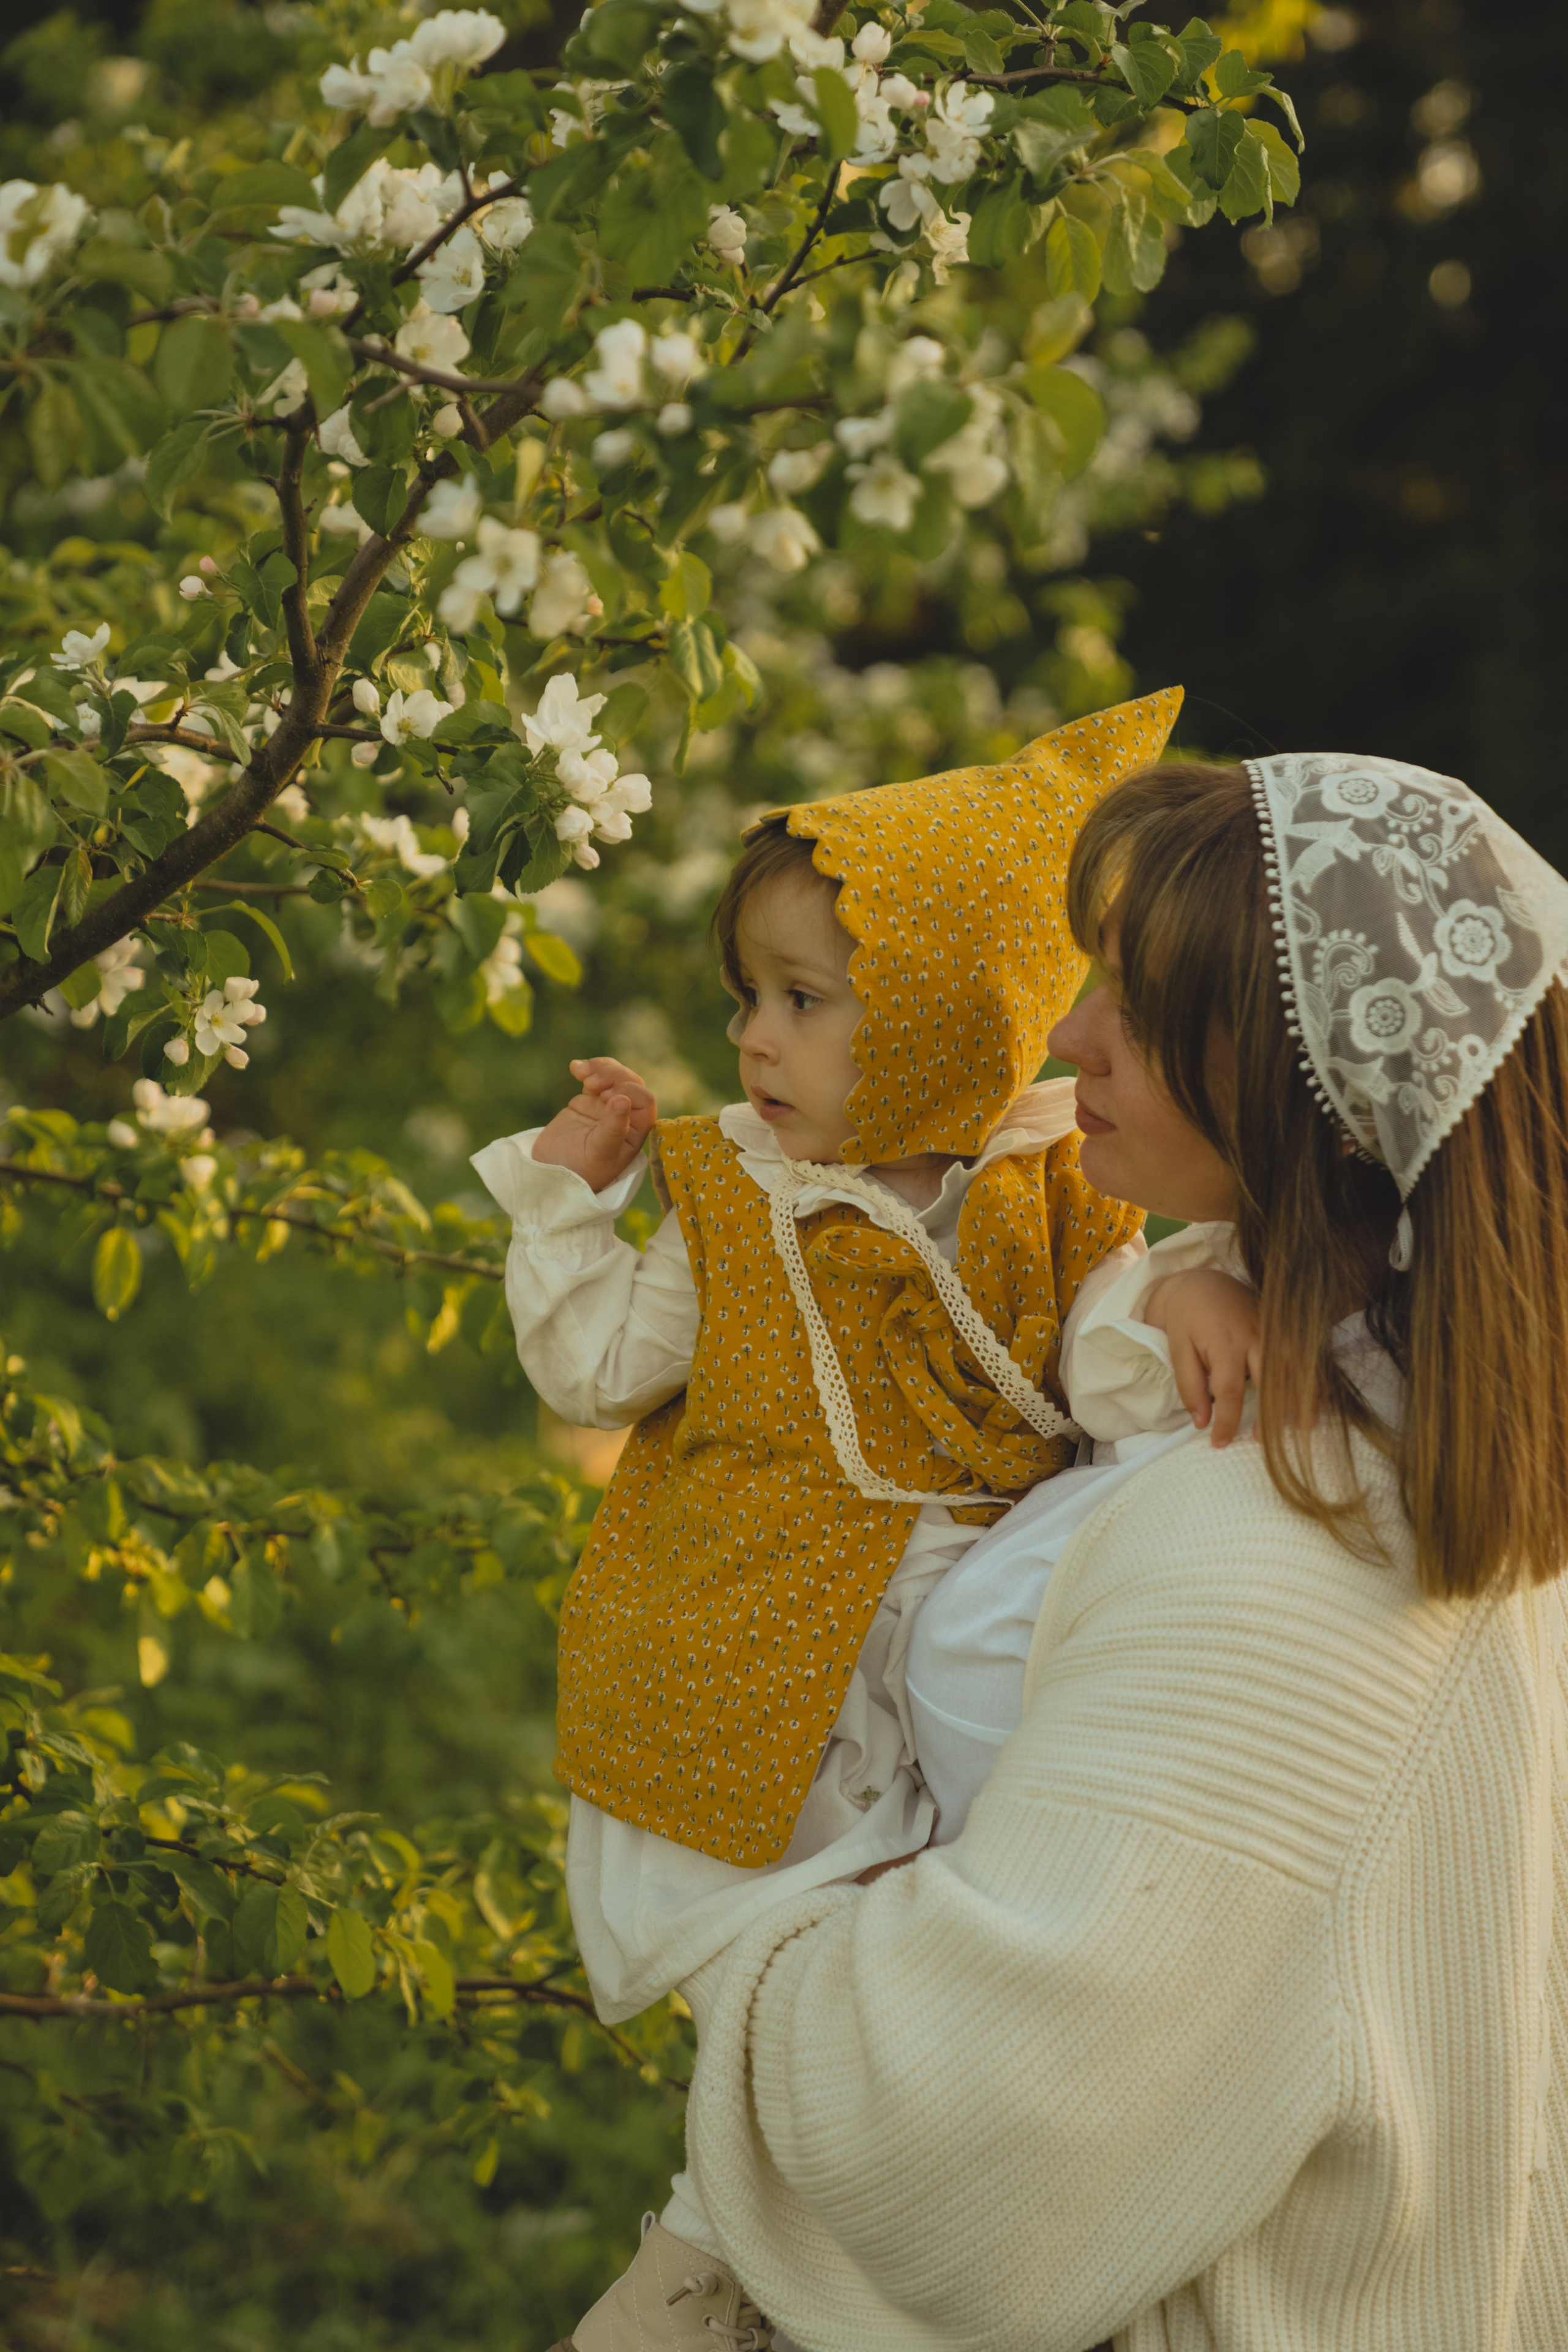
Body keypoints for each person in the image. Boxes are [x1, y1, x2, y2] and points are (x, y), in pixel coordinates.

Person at [677, 753, 1568, 2352]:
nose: (1070, 1038)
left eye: (1142, 1014)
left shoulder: (1280, 1550)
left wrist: (716, 1907)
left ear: (1311, 1087)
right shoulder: (1351, 1393)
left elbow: (958, 2153)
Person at [473, 696, 1267, 2352]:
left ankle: (906, 2242)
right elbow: (601, 1366)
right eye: (749, 998)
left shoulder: (1052, 1184)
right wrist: (567, 1205)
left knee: (943, 1990)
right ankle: (709, 2239)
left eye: (805, 1001)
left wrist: (1196, 1288)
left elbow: (1104, 1371)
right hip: (769, 1649)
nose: (757, 1040)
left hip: (964, 1638)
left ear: (945, 1017)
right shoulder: (728, 1189)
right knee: (783, 1964)